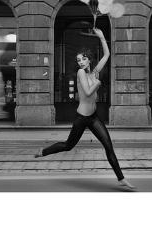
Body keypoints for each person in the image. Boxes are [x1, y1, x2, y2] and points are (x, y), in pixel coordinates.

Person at [35, 28, 135, 189]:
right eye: (78, 60)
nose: (80, 62)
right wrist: (98, 83)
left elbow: (107, 55)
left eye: (83, 59)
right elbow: (88, 92)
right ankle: (43, 152)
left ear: (89, 60)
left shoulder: (95, 72)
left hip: (94, 117)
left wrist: (102, 37)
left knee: (108, 146)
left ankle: (121, 179)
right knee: (68, 145)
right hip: (81, 118)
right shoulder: (81, 73)